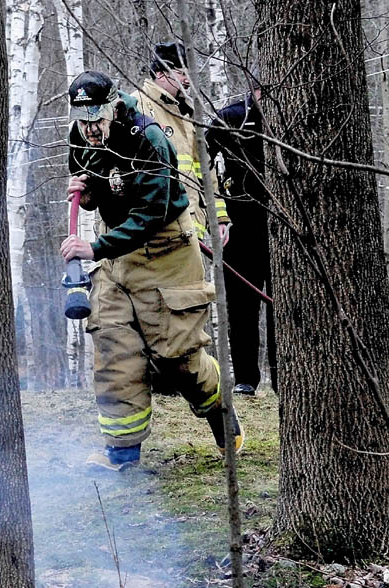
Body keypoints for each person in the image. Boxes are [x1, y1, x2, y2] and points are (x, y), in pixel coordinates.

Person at [60, 70, 244, 471]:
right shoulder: (79, 135)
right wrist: (89, 195)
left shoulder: (148, 138)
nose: (90, 129)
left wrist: (92, 247)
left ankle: (221, 413)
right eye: (83, 120)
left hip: (166, 252)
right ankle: (121, 454)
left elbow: (151, 212)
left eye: (98, 119)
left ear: (116, 108)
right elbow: (96, 186)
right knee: (112, 348)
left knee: (178, 359)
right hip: (115, 259)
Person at [207, 74, 277, 396]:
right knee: (242, 309)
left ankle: (282, 377)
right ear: (255, 91)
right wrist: (215, 210)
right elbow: (201, 158)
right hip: (239, 226)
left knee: (283, 309)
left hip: (282, 231)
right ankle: (247, 378)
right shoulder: (232, 117)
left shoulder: (292, 121)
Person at [131, 40, 230, 244]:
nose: (187, 80)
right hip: (157, 232)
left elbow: (206, 168)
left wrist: (218, 217)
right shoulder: (136, 107)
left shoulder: (187, 112)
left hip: (194, 228)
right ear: (160, 73)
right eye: (181, 73)